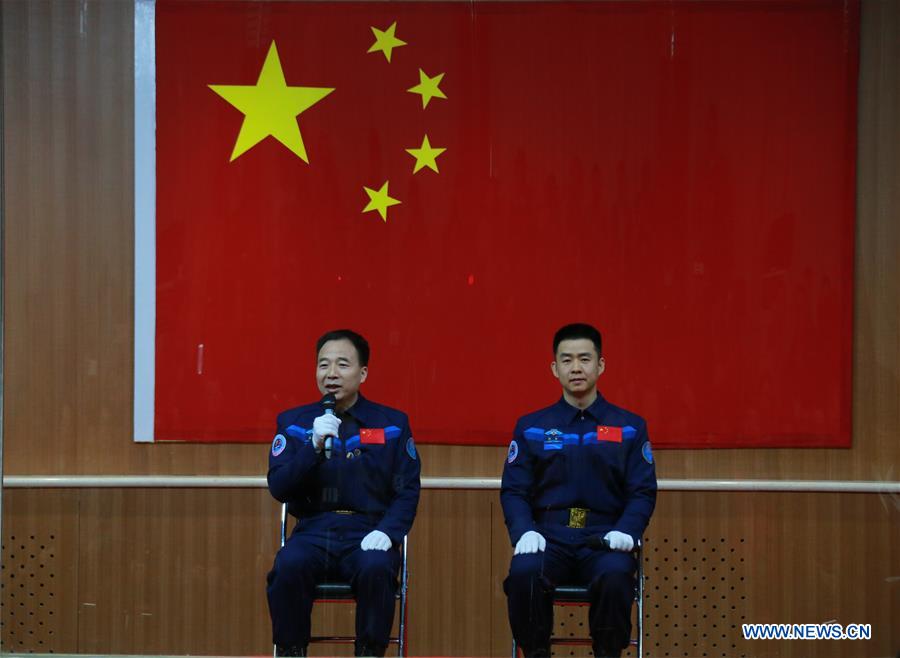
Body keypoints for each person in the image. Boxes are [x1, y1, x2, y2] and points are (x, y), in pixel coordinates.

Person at [501, 323, 657, 658]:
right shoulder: (532, 427)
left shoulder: (629, 426)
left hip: (604, 538)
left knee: (617, 578)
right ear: (554, 368)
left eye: (585, 359)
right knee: (524, 575)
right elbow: (514, 490)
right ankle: (536, 652)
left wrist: (627, 531)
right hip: (549, 537)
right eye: (567, 360)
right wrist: (524, 531)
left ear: (600, 365)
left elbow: (642, 491)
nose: (576, 368)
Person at [266, 329, 421, 657]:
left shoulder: (391, 424)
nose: (331, 374)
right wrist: (311, 446)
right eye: (323, 365)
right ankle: (291, 651)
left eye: (342, 365)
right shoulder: (294, 423)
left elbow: (407, 490)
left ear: (363, 373)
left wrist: (388, 532)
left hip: (367, 531)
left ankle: (369, 652)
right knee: (287, 566)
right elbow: (280, 488)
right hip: (312, 532)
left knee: (377, 568)